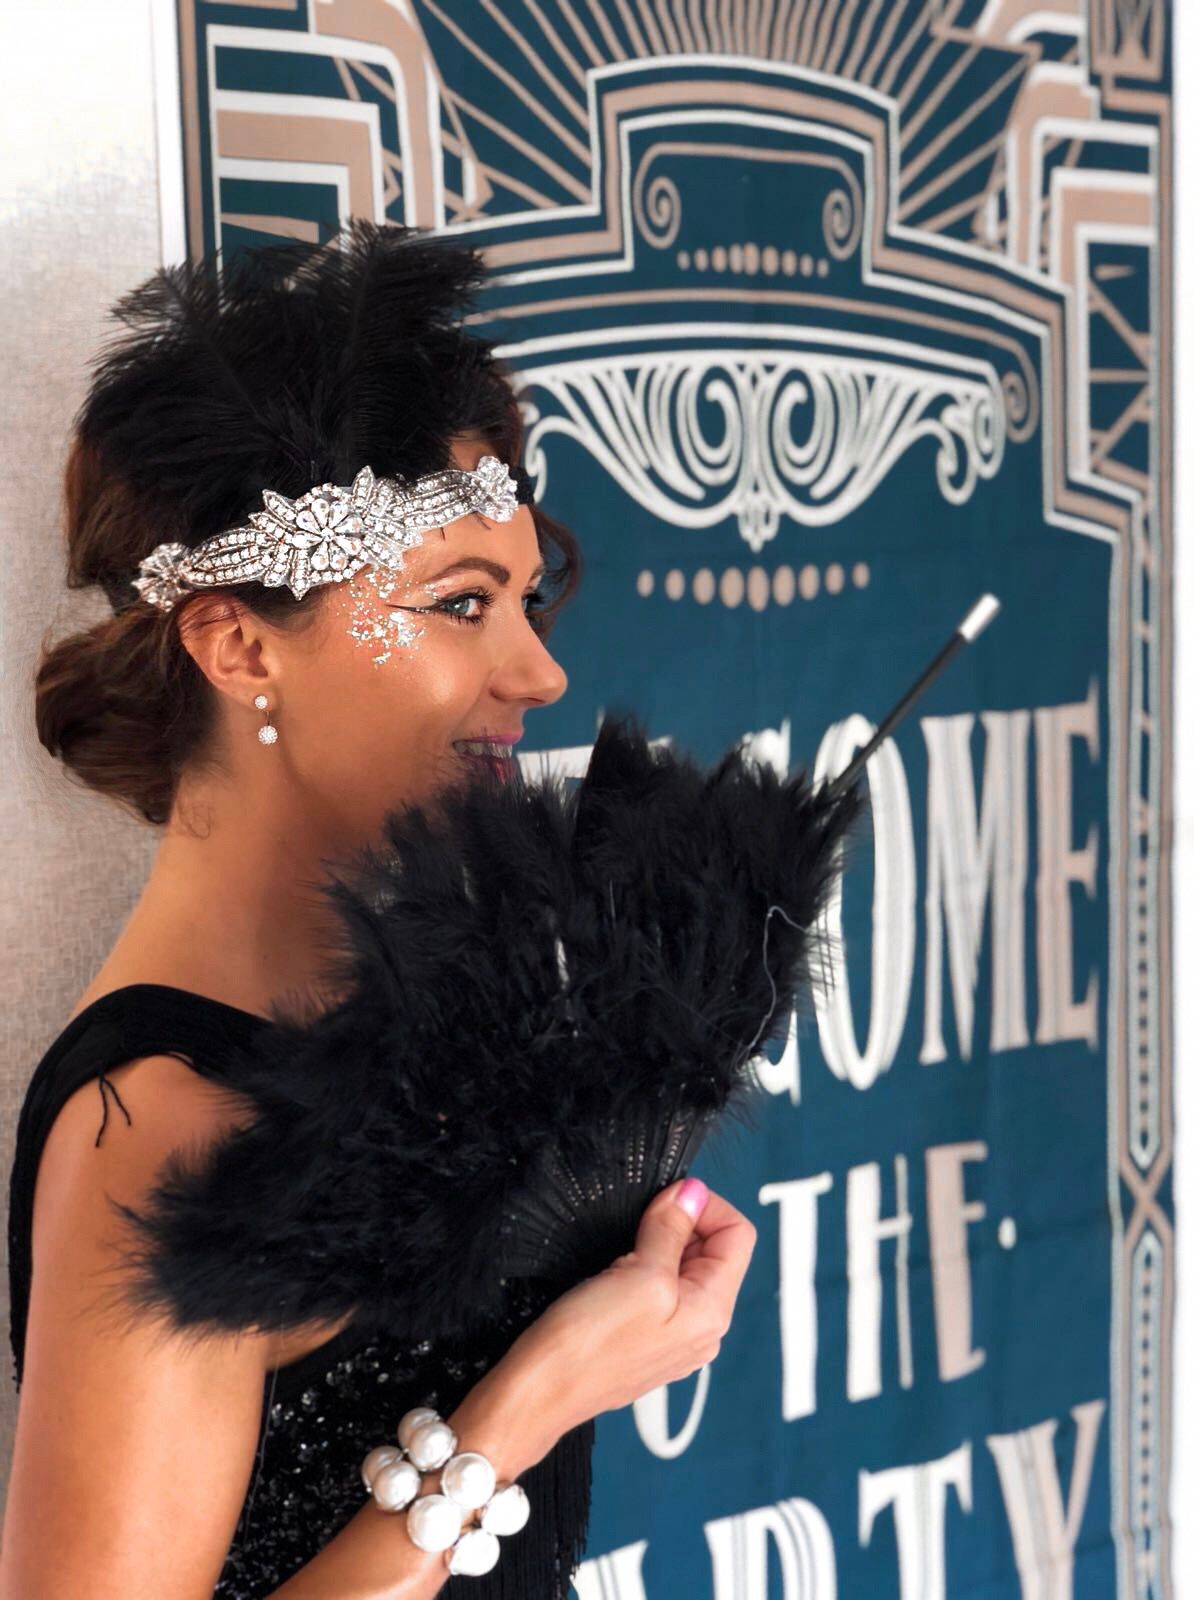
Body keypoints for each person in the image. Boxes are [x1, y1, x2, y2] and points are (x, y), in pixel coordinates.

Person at [2, 222, 757, 1598]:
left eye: (527, 600)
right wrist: (531, 1400)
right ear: (239, 643)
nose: (538, 672)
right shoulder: (164, 1126)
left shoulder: (410, 1032)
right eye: (461, 604)